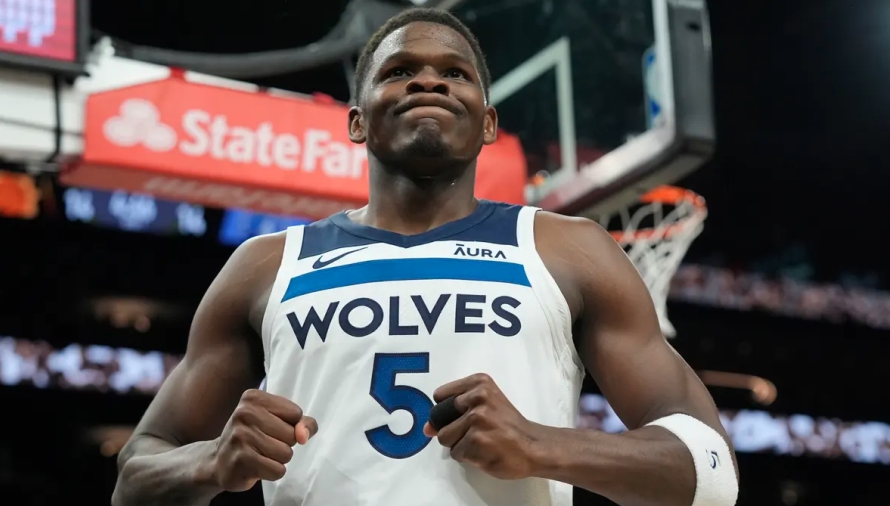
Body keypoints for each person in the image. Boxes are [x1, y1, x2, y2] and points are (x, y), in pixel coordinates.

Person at [112, 7, 738, 506]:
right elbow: (136, 473)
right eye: (399, 70)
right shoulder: (267, 265)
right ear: (357, 122)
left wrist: (541, 445)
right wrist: (212, 460)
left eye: (456, 73)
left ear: (488, 124)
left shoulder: (567, 249)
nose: (429, 80)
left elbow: (713, 471)